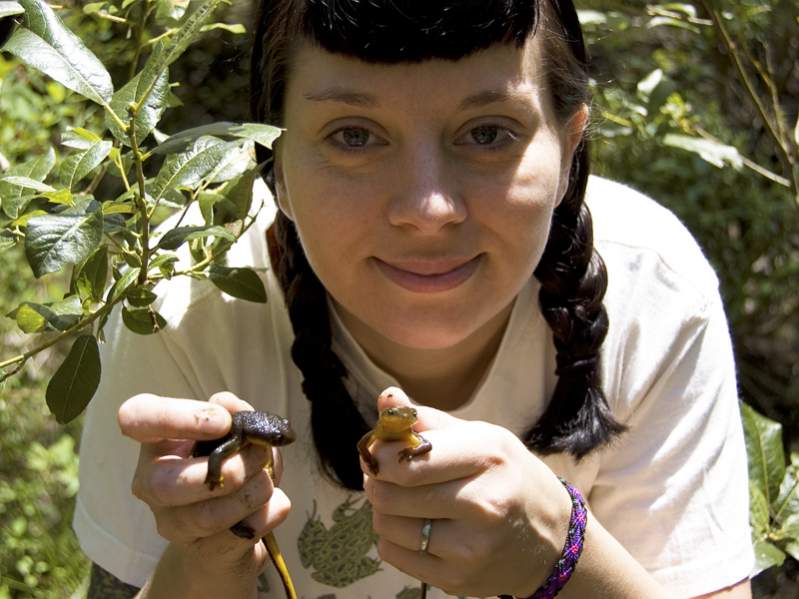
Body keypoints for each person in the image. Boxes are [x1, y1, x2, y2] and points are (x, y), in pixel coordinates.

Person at [74, 0, 755, 597]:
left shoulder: (651, 289)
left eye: (487, 133)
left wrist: (559, 551)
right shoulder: (181, 298)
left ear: (568, 149)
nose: (427, 208)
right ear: (272, 165)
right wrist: (207, 552)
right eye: (354, 136)